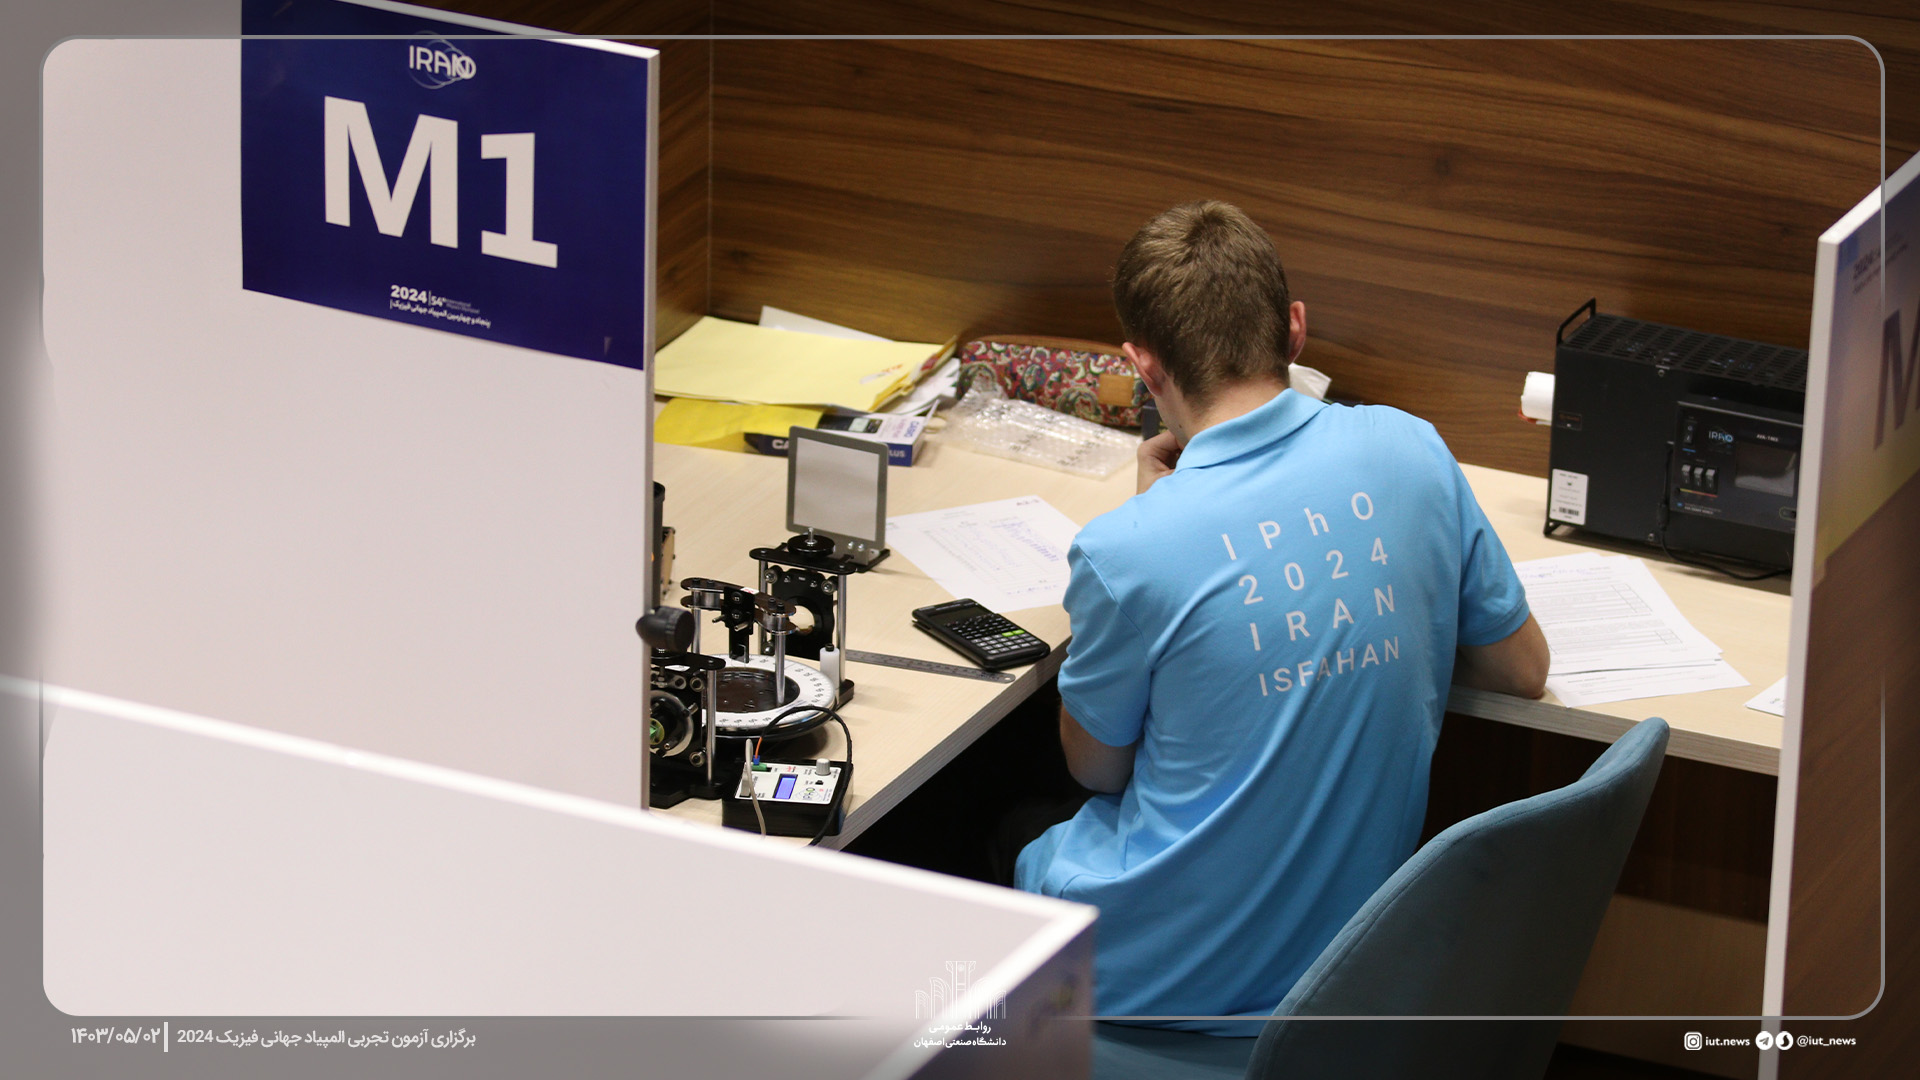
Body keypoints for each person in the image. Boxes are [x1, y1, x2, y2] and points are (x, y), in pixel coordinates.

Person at [1011, 200, 1550, 1033]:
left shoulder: (1127, 550)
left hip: (1148, 984)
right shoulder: (1412, 449)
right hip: (1342, 980)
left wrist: (1154, 528)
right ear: (1295, 330)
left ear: (1144, 366)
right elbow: (1522, 670)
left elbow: (1097, 770)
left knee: (993, 827)